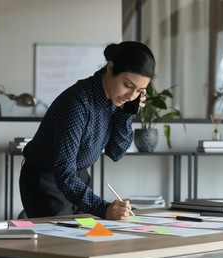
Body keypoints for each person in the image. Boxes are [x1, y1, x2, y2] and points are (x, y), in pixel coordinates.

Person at [19, 41, 156, 220]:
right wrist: (103, 208)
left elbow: (116, 153)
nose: (131, 96)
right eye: (128, 85)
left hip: (78, 177)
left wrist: (126, 114)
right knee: (65, 243)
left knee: (90, 237)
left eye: (139, 91)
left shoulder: (118, 101)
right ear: (110, 67)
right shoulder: (77, 103)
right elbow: (63, 170)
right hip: (47, 179)